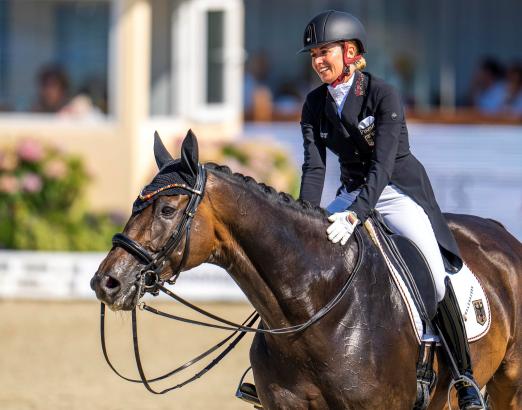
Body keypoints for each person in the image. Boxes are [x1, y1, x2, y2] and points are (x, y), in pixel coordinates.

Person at [298, 10, 483, 410]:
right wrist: (303, 217)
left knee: (434, 277)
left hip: (397, 192)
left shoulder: (382, 94)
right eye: (313, 54)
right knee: (301, 263)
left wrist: (355, 215)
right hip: (351, 193)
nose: (317, 61)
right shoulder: (314, 104)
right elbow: (314, 167)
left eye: (324, 51)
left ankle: (464, 378)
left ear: (350, 52)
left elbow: (382, 167)